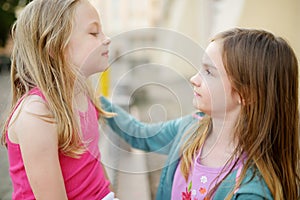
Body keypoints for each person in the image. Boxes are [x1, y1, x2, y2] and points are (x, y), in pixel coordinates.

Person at [100, 28, 299, 200]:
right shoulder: (190, 128)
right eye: (200, 69)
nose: (194, 79)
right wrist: (94, 100)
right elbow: (140, 133)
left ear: (245, 94)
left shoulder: (251, 192)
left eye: (209, 72)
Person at [1, 0, 117, 199]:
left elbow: (94, 163)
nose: (107, 39)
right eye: (93, 33)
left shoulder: (82, 93)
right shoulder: (37, 114)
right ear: (54, 47)